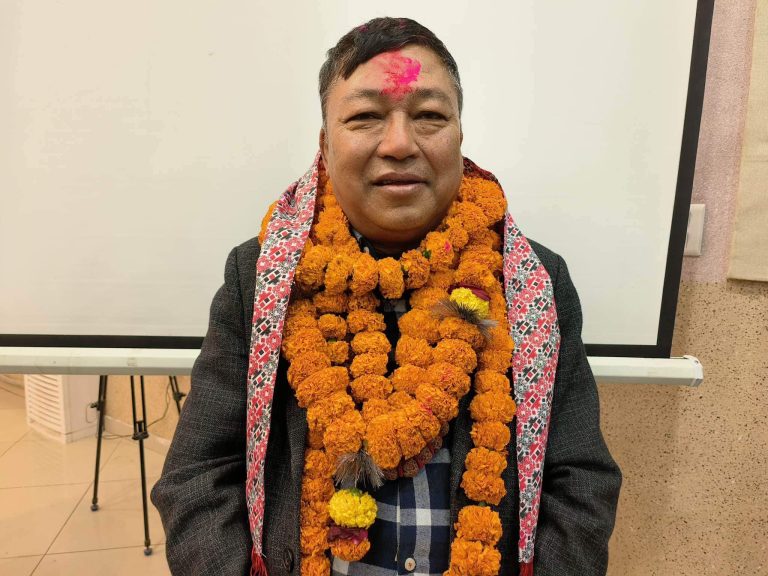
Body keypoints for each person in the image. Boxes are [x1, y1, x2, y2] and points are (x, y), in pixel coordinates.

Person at [151, 17, 622, 576]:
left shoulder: (533, 283)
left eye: (429, 116)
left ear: (460, 135)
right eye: (365, 117)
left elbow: (580, 480)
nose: (399, 143)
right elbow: (198, 475)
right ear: (325, 143)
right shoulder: (262, 278)